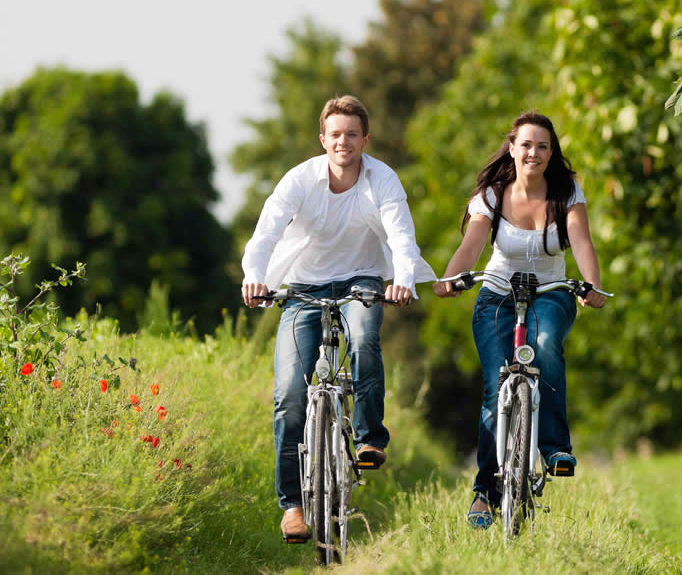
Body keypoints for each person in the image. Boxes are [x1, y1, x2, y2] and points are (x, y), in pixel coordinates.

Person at [241, 95, 436, 543]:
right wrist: (254, 277)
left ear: (365, 139)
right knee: (290, 392)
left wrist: (402, 281)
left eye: (352, 134)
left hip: (361, 281)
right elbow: (266, 232)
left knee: (365, 335)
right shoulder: (300, 180)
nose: (343, 142)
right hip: (303, 288)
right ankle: (292, 506)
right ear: (322, 140)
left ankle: (370, 440)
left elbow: (402, 236)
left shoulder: (382, 179)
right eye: (335, 134)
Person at [433, 110, 607, 529]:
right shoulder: (492, 194)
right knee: (497, 385)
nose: (534, 152)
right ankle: (484, 493)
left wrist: (592, 285)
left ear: (551, 152)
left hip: (550, 294)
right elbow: (473, 244)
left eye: (542, 146)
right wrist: (451, 278)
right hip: (496, 295)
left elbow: (581, 241)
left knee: (545, 347)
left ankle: (553, 449)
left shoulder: (567, 192)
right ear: (512, 148)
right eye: (526, 144)